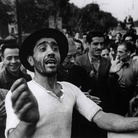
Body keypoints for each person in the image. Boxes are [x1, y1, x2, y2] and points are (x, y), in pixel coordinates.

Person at [5, 28, 138, 138]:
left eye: (55, 48)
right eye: (43, 49)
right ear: (31, 60)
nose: (51, 52)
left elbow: (103, 119)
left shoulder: (70, 89)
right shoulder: (21, 93)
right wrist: (28, 122)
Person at [108, 41, 138, 116]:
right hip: (114, 101)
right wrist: (111, 72)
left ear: (128, 53)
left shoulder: (136, 65)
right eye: (117, 51)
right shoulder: (113, 64)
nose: (117, 54)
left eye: (121, 52)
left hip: (130, 101)